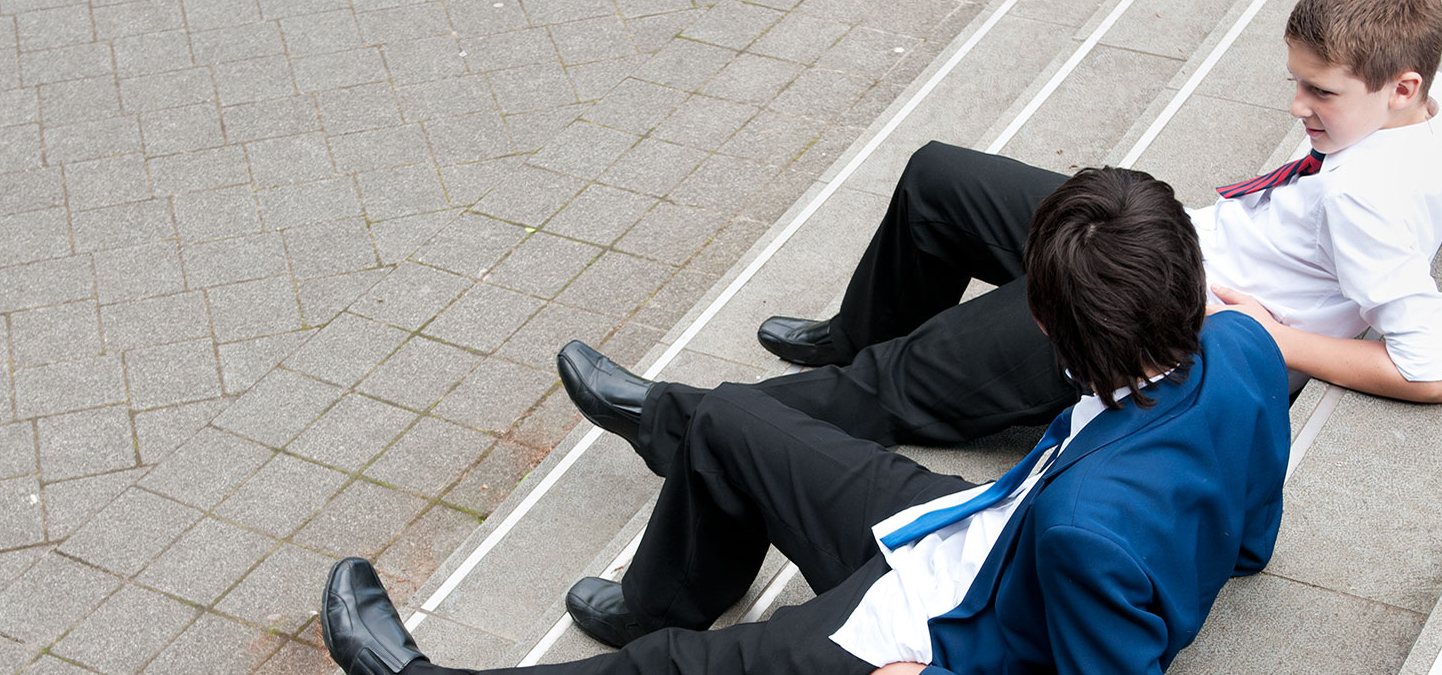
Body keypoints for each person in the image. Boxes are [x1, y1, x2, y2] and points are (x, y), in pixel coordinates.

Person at [320, 167, 1292, 674]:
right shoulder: (1240, 342)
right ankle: (660, 594)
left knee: (673, 670)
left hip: (939, 627)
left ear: (1054, 323)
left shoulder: (1091, 530)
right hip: (972, 529)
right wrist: (1218, 554)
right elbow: (1249, 531)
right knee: (735, 420)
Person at [558, 0, 1442, 459]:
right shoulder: (1440, 109)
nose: (1298, 108)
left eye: (1321, 94)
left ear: (1399, 85)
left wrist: (1273, 338)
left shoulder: (1366, 196)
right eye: (1298, 83)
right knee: (939, 178)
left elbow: (1431, 371)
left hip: (1160, 319)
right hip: (1163, 241)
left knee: (904, 381)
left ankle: (682, 424)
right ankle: (854, 333)